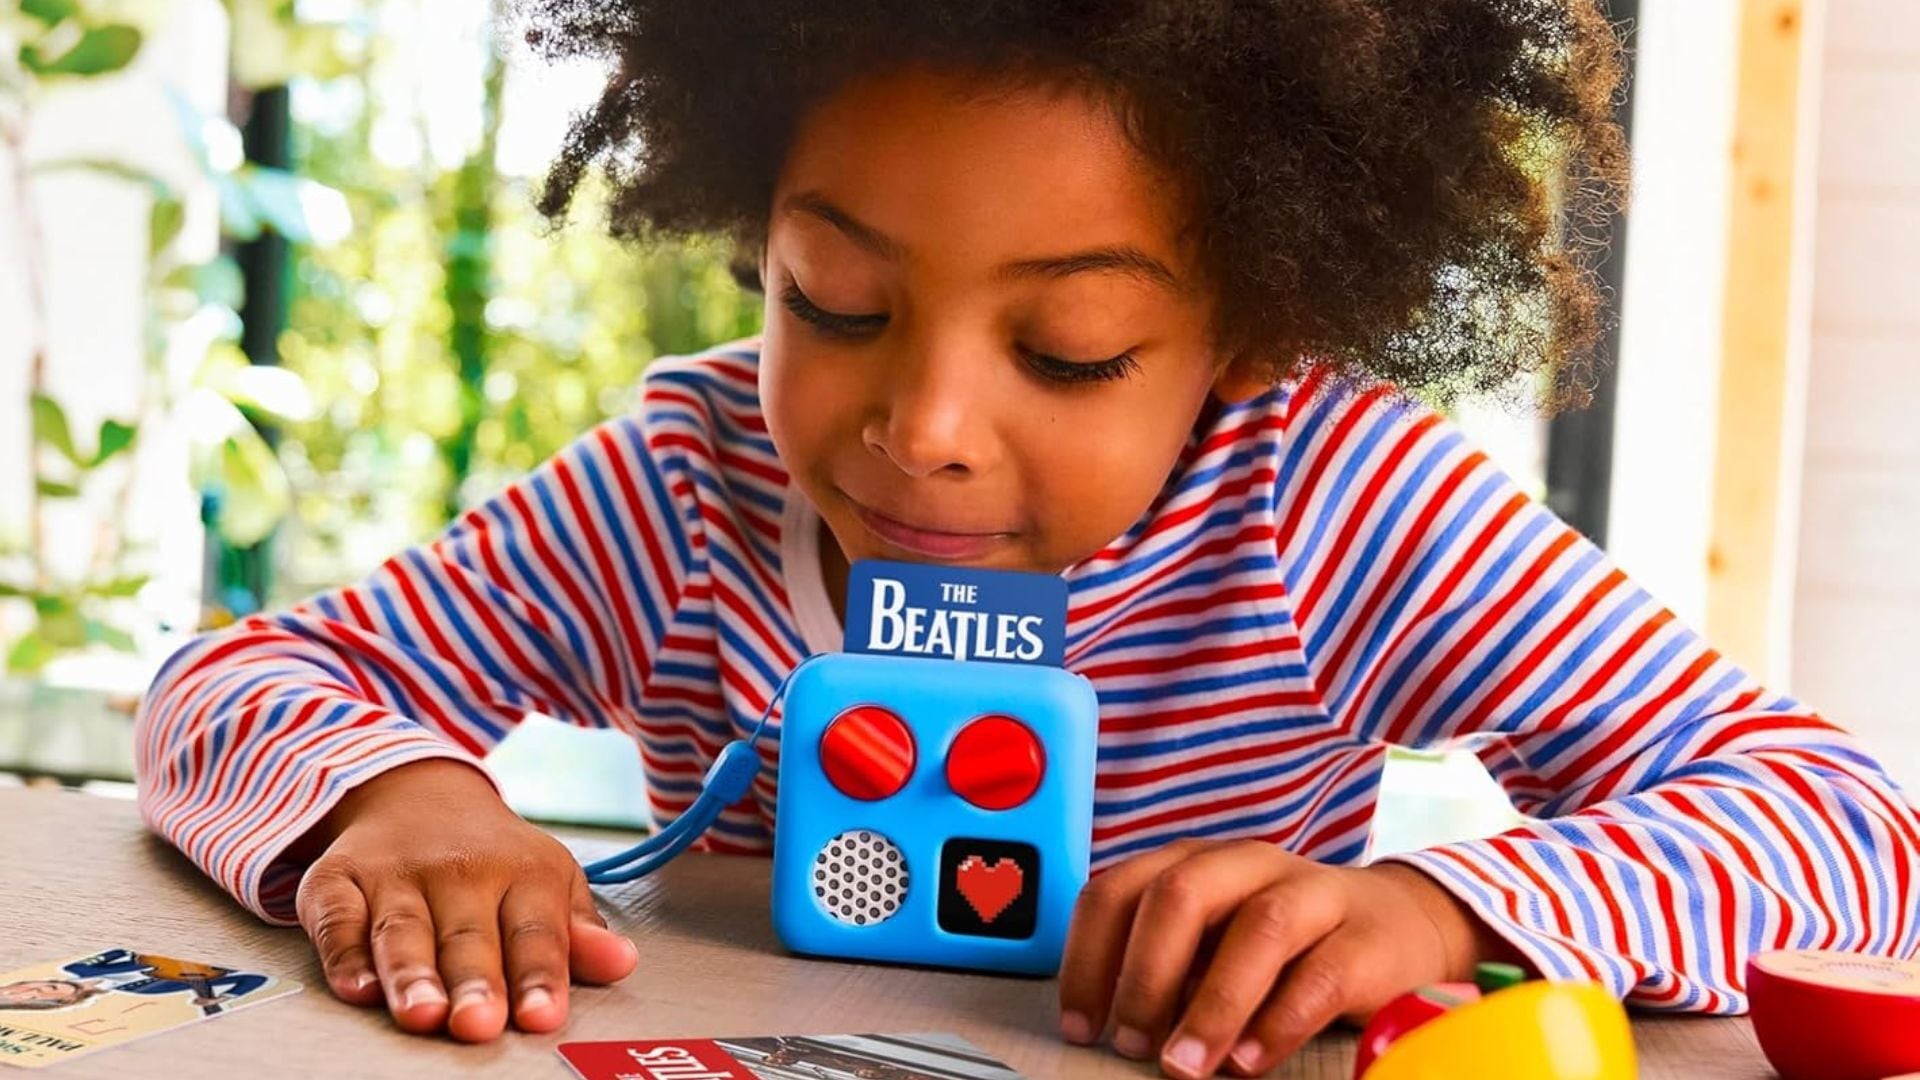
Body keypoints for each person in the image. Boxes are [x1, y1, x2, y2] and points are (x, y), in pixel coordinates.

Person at [134, 3, 1920, 1078]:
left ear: (1250, 331)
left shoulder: (1331, 503)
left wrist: (1445, 909)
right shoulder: (686, 490)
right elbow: (234, 681)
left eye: (1068, 353)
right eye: (832, 302)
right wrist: (403, 796)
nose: (923, 430)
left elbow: (1849, 832)